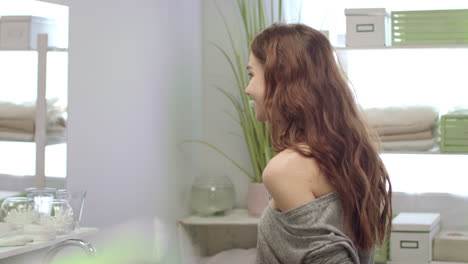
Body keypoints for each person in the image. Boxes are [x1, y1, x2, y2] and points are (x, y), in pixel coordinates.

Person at [244, 23, 392, 264]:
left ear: (280, 79)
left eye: (252, 75)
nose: (247, 89)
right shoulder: (351, 155)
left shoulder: (285, 169)